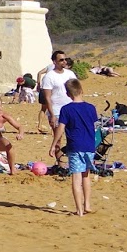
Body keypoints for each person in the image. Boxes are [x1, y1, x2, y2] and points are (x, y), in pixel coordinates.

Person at [51, 79, 100, 217]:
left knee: (76, 178)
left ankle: (79, 210)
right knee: (86, 176)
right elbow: (94, 126)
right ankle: (87, 205)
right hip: (89, 145)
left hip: (75, 145)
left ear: (67, 93)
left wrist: (54, 144)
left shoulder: (66, 109)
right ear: (81, 90)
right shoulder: (91, 107)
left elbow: (61, 128)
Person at [39, 51, 79, 134]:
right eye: (61, 60)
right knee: (58, 138)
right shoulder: (49, 77)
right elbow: (47, 97)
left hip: (71, 109)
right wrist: (52, 115)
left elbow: (76, 91)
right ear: (54, 61)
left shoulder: (70, 74)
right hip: (57, 111)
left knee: (73, 136)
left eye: (65, 59)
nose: (64, 61)